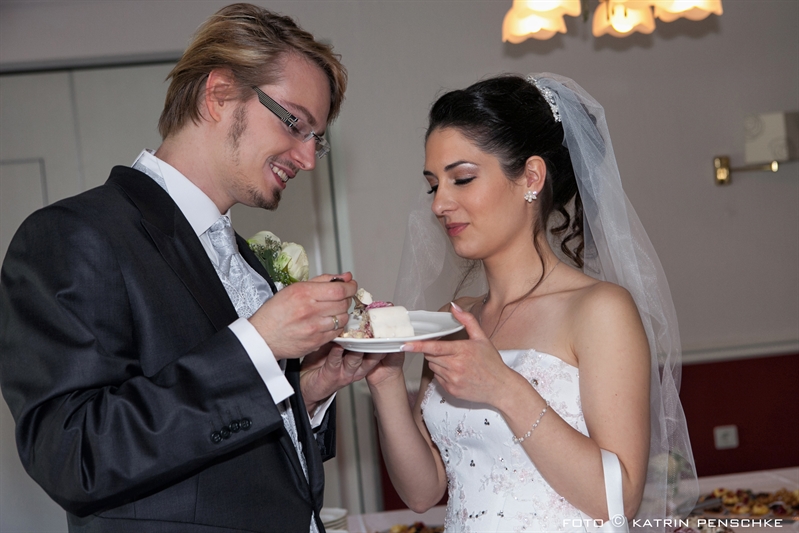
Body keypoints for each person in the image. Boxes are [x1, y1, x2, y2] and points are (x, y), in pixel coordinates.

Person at [0, 4, 379, 532]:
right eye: (295, 122)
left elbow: (236, 465)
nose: (309, 158)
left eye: (317, 137)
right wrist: (258, 347)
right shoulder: (74, 234)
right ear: (220, 94)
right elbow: (73, 455)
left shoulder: (245, 259)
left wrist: (306, 392)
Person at [366, 73, 698, 532]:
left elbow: (617, 499)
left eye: (461, 179)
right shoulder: (453, 319)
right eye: (432, 185)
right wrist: (383, 384)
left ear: (531, 177)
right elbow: (423, 493)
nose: (440, 203)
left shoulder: (600, 310)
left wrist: (504, 387)